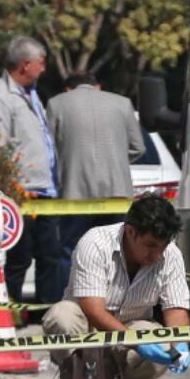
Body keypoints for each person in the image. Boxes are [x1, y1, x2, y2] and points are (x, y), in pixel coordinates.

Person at [41, 196, 190, 379]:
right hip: (88, 324)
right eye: (150, 245)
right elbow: (93, 310)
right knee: (61, 316)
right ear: (131, 232)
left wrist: (180, 344)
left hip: (133, 324)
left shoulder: (171, 255)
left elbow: (176, 309)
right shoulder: (94, 243)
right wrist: (134, 341)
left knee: (160, 341)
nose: (157, 255)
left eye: (163, 246)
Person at [0, 36, 62, 304]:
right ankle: (10, 315)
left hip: (46, 191)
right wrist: (8, 194)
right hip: (21, 194)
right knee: (18, 259)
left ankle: (46, 314)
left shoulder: (32, 92)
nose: (44, 68)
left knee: (50, 256)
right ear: (26, 64)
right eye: (41, 63)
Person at [48, 72, 146, 262]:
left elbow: (48, 148)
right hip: (116, 191)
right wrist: (116, 161)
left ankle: (74, 291)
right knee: (116, 252)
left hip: (73, 191)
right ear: (97, 86)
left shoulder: (57, 103)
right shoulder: (123, 103)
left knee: (71, 250)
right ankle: (113, 292)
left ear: (69, 89)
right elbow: (139, 147)